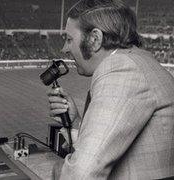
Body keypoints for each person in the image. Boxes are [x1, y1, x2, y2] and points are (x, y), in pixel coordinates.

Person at [48, 0, 174, 179]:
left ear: (95, 39)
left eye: (69, 39)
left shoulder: (121, 68)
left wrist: (57, 170)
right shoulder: (139, 60)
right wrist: (76, 122)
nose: (64, 48)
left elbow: (80, 174)